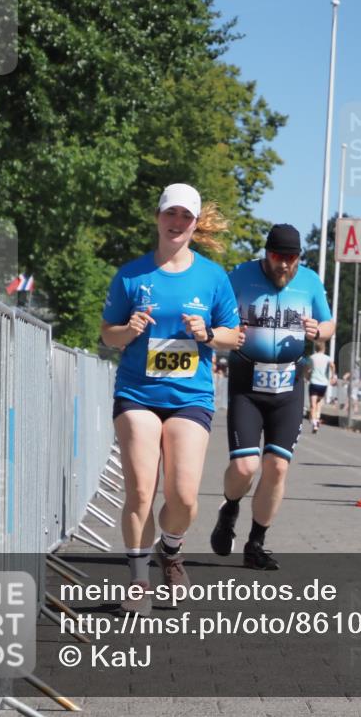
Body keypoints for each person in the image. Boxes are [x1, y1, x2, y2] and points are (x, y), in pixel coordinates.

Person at [101, 184, 240, 614]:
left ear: (196, 224)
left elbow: (235, 336)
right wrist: (130, 330)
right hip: (137, 393)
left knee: (183, 497)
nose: (176, 223)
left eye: (185, 217)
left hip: (189, 396)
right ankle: (139, 581)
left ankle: (172, 550)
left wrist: (207, 334)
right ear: (158, 217)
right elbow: (108, 335)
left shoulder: (213, 277)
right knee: (141, 490)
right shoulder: (132, 274)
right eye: (170, 214)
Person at [211, 224, 335, 570]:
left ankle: (256, 543)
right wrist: (228, 331)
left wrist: (318, 330)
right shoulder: (240, 276)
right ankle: (230, 507)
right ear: (267, 253)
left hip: (288, 385)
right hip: (247, 381)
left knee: (277, 467)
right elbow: (217, 317)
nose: (285, 265)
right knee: (245, 466)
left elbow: (329, 324)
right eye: (279, 257)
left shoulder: (309, 281)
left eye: (291, 259)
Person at [306, 340, 335, 433]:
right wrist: (332, 376)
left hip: (314, 382)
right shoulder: (327, 358)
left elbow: (307, 368)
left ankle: (314, 423)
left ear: (315, 348)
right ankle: (317, 420)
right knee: (319, 403)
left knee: (313, 405)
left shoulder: (312, 357)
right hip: (323, 384)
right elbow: (332, 366)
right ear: (324, 348)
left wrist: (307, 377)